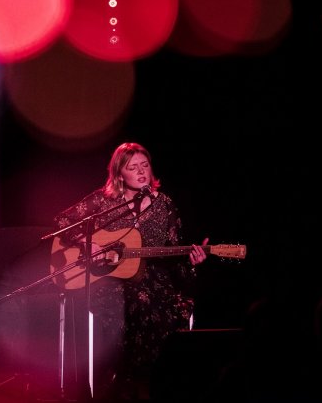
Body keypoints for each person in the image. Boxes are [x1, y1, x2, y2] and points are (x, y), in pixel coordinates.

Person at [52, 142, 208, 402]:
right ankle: (127, 381)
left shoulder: (165, 205)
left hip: (154, 279)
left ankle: (140, 380)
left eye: (145, 165)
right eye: (132, 167)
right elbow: (61, 221)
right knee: (129, 302)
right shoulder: (104, 200)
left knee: (152, 304)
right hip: (109, 279)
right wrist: (87, 242)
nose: (141, 171)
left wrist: (192, 261)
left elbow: (175, 254)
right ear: (119, 174)